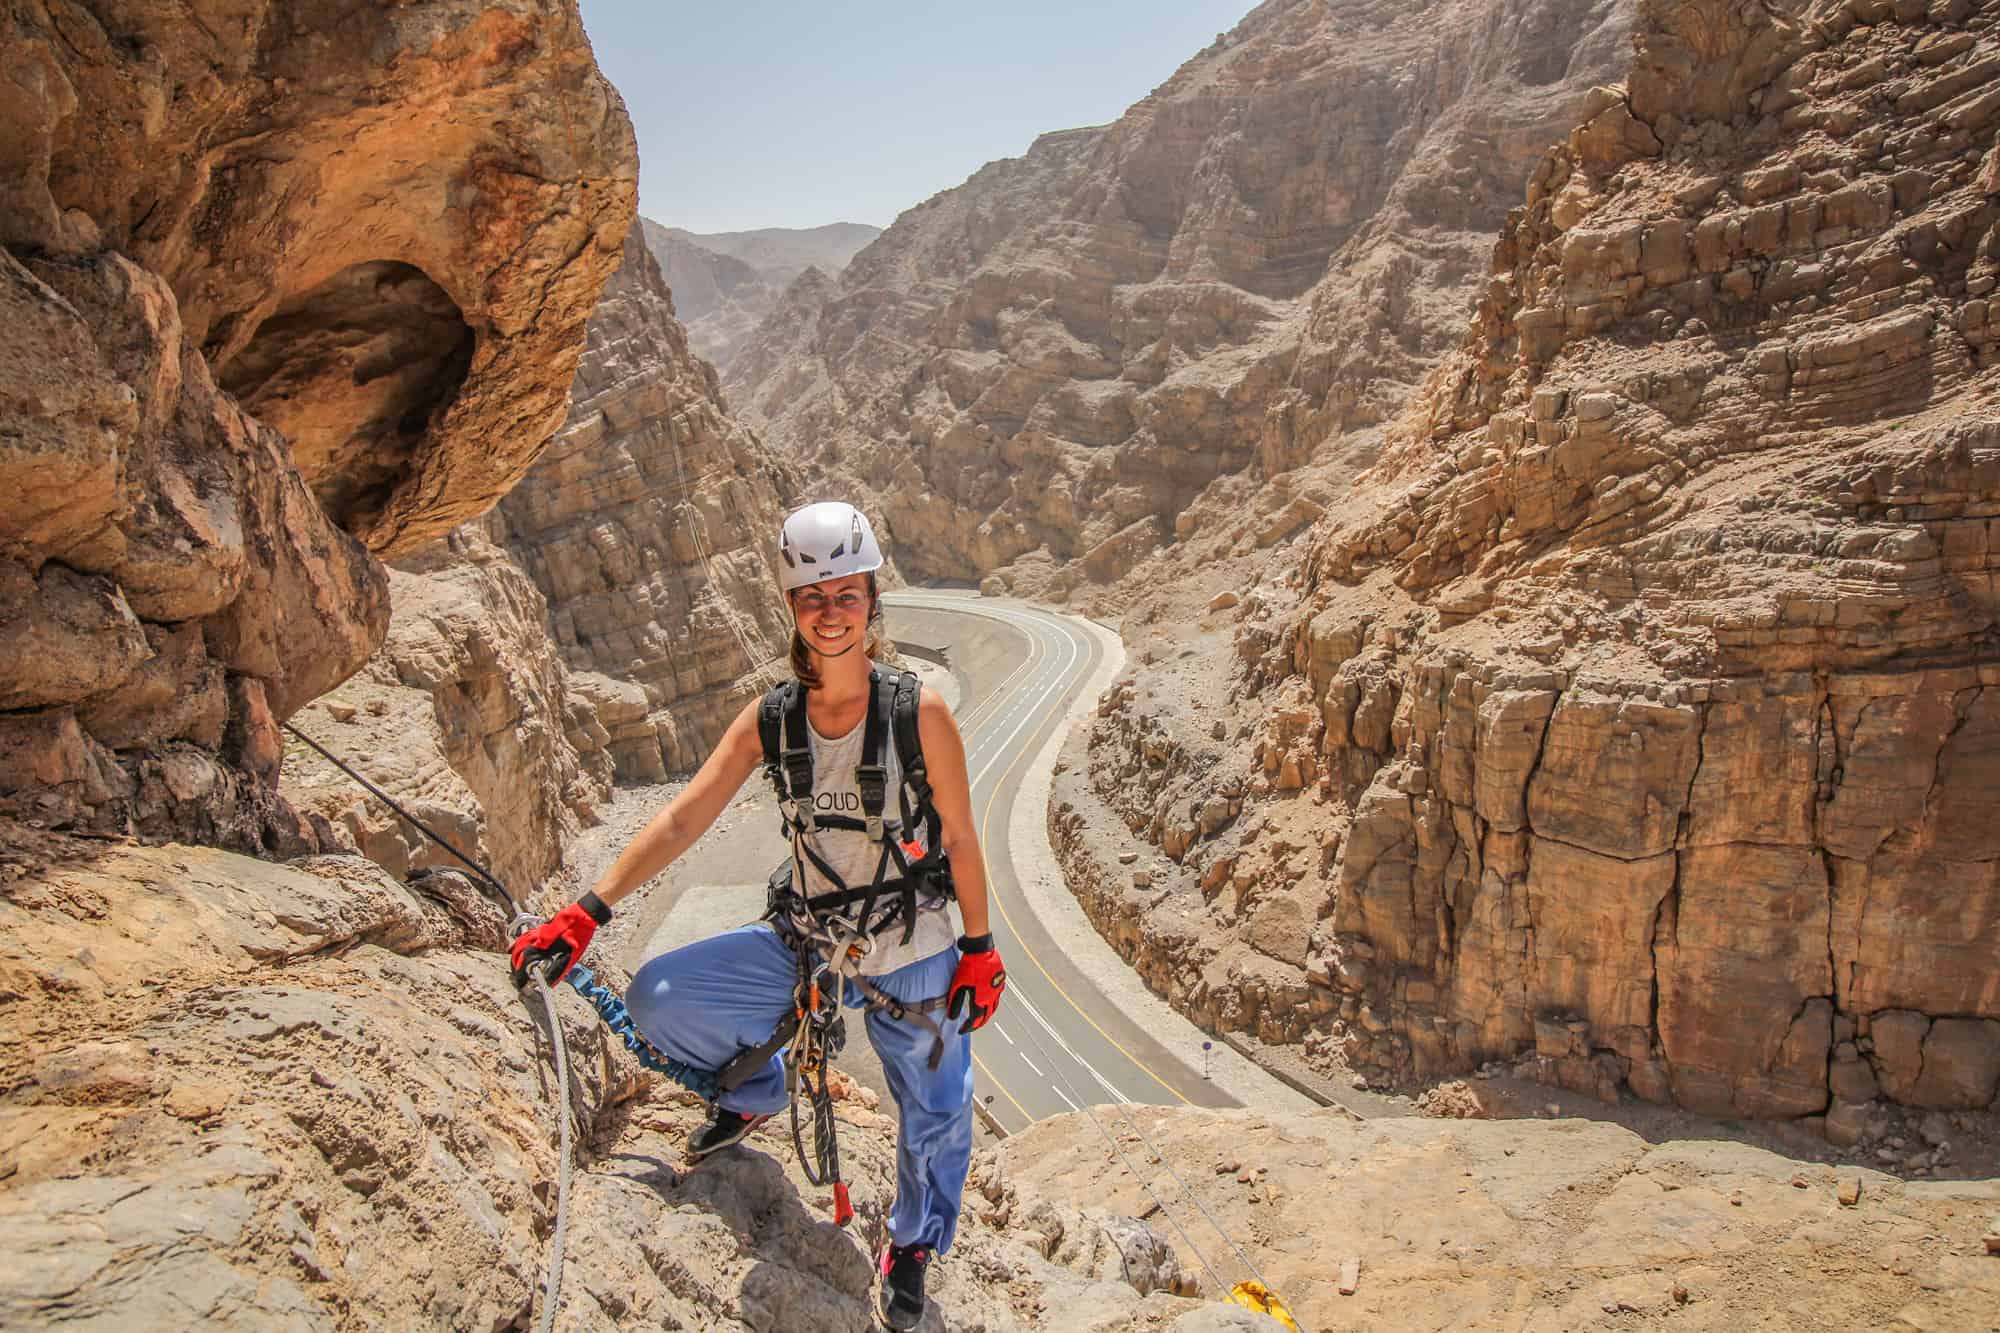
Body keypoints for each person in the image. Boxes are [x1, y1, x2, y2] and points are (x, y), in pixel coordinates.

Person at [509, 500, 1007, 1332]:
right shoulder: (772, 722)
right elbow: (681, 820)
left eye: (846, 594)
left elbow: (958, 835)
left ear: (871, 598)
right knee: (661, 997)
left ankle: (913, 1245)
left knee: (940, 1106)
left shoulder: (920, 715)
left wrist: (980, 949)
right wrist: (587, 912)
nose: (831, 613)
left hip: (910, 944)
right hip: (807, 943)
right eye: (813, 598)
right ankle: (754, 1091)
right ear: (790, 609)